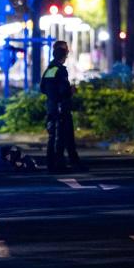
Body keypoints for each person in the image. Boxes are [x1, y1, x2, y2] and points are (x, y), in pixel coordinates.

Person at [40, 40, 83, 172]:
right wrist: (70, 91)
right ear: (63, 55)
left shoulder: (49, 70)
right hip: (61, 107)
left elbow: (43, 88)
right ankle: (60, 164)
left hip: (52, 107)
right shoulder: (60, 70)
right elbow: (63, 90)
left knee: (54, 136)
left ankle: (53, 163)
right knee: (61, 137)